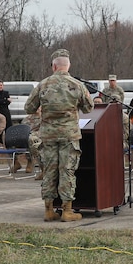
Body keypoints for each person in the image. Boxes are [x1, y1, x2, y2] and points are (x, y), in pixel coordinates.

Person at [24, 49, 93, 222]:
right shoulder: (77, 85)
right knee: (67, 171)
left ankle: (48, 210)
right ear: (68, 66)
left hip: (48, 136)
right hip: (69, 136)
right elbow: (89, 108)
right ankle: (67, 211)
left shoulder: (43, 84)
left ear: (54, 66)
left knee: (49, 171)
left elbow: (28, 108)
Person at [24, 108, 43, 180]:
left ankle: (43, 169)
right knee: (30, 140)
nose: (37, 109)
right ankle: (30, 161)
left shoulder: (45, 118)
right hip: (30, 137)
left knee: (34, 142)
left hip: (41, 136)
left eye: (39, 107)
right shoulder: (27, 119)